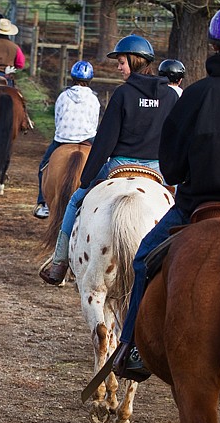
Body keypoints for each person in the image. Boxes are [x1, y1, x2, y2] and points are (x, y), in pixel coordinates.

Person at [113, 5, 220, 381]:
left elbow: (170, 167)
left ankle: (131, 348)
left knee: (142, 259)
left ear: (213, 47)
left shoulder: (196, 95)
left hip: (197, 208)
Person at [39, 34, 178, 284]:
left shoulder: (123, 94)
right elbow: (173, 136)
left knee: (73, 202)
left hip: (120, 164)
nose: (118, 66)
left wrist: (86, 178)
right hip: (158, 169)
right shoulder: (170, 96)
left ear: (135, 61)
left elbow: (104, 141)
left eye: (121, 61)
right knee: (182, 208)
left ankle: (59, 263)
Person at [33, 60, 101, 219]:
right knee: (104, 166)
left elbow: (58, 118)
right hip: (88, 138)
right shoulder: (94, 99)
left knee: (43, 167)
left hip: (63, 138)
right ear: (90, 79)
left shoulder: (63, 96)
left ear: (72, 77)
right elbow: (94, 121)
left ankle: (42, 204)